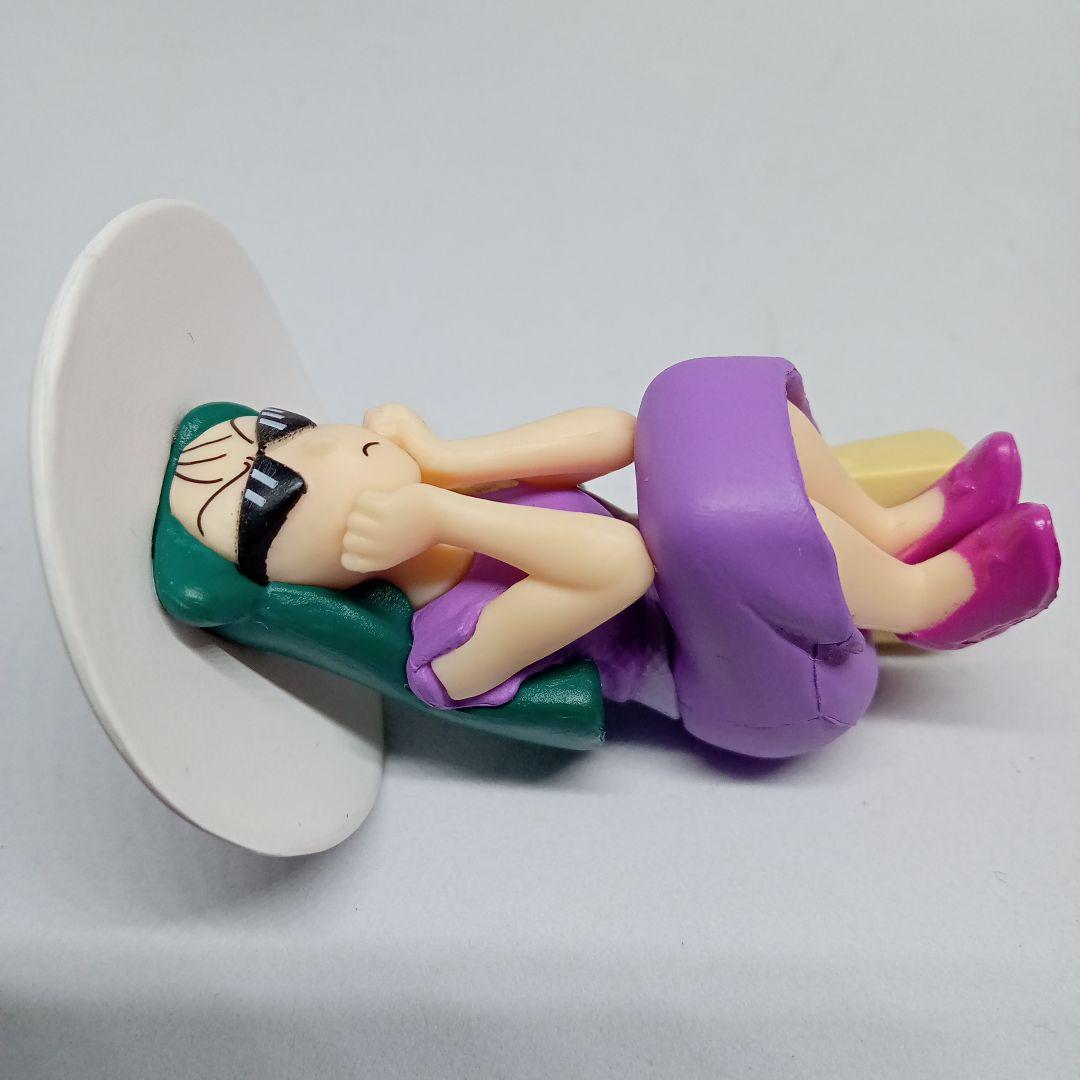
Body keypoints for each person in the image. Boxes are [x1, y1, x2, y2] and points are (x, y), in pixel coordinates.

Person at [168, 359, 1059, 716]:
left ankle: (897, 531)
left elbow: (620, 434)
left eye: (291, 431)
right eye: (281, 485)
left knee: (688, 399)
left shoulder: (460, 493)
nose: (328, 447)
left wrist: (447, 461)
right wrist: (443, 514)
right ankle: (926, 602)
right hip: (748, 695)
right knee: (729, 530)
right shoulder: (446, 653)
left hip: (723, 592)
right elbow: (619, 564)